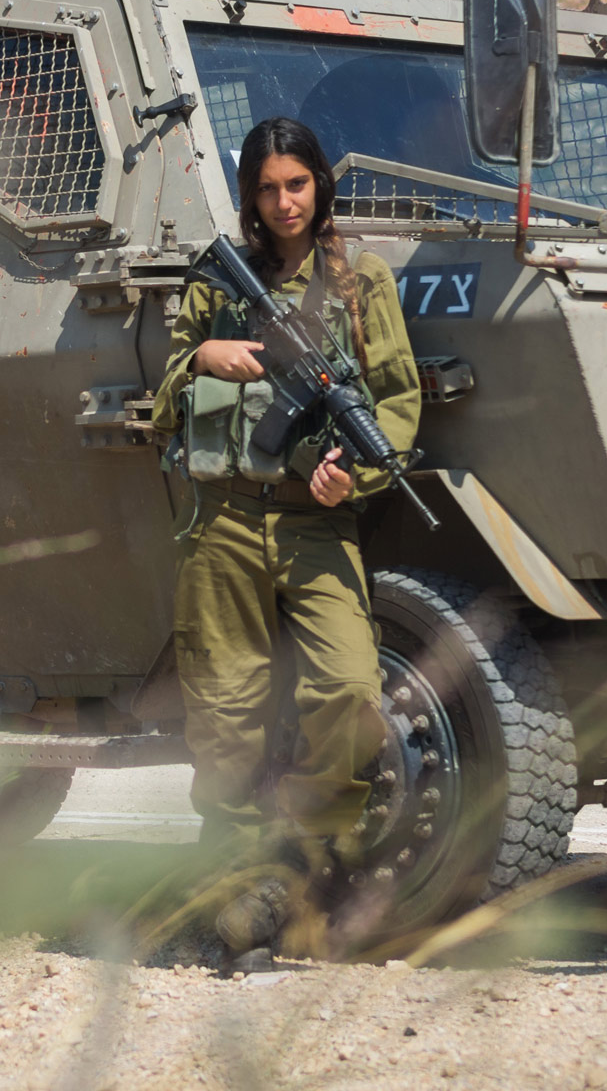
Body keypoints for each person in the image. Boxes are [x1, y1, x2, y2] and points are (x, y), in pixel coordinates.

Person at [152, 117, 421, 962]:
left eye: (296, 184)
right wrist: (206, 358)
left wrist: (357, 479)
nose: (283, 203)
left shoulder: (361, 281)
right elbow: (163, 396)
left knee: (348, 690)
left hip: (316, 518)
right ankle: (232, 890)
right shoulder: (218, 282)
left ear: (319, 185)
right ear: (250, 196)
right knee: (226, 713)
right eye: (267, 189)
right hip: (224, 520)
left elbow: (397, 401)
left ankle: (303, 861)